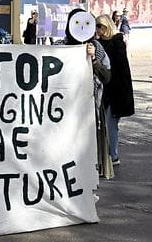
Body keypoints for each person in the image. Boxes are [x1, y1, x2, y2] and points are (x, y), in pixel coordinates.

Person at [64, 9, 112, 179]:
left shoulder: (97, 49)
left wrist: (94, 61)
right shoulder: (62, 47)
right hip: (67, 106)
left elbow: (106, 77)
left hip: (91, 106)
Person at [97, 14, 132, 168]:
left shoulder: (117, 42)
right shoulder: (97, 43)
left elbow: (121, 70)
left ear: (107, 26)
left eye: (101, 26)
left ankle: (113, 155)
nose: (98, 30)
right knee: (103, 123)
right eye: (96, 26)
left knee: (111, 124)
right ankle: (105, 154)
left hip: (114, 91)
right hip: (102, 89)